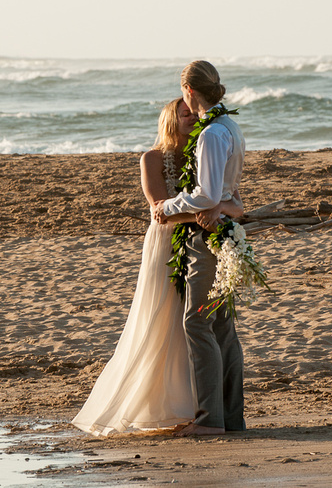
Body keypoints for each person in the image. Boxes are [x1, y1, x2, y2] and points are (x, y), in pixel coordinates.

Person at [71, 97, 243, 436]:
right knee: (165, 321)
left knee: (204, 326)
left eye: (194, 112)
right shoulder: (151, 158)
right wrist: (210, 208)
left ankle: (208, 411)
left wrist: (216, 207)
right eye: (185, 114)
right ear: (170, 119)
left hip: (205, 241)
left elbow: (237, 205)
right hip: (167, 245)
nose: (193, 117)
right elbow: (159, 210)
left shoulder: (204, 152)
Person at [155, 60, 247, 436]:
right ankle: (231, 417)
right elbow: (227, 193)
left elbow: (206, 194)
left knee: (197, 321)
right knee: (223, 326)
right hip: (226, 231)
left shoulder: (210, 133)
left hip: (207, 238)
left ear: (189, 90)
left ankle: (211, 420)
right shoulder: (231, 126)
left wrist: (168, 206)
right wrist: (223, 206)